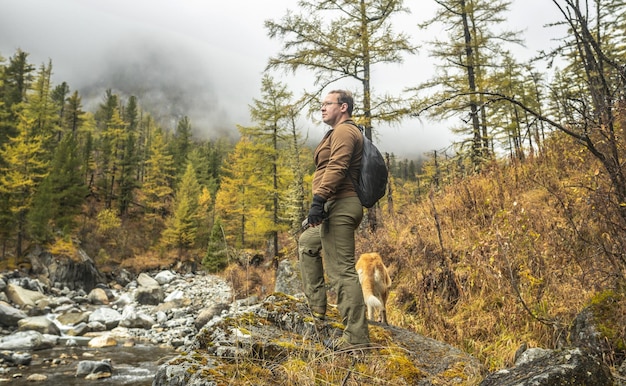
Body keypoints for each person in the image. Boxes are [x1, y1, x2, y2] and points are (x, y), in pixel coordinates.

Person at [298, 89, 369, 350]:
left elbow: (337, 167)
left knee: (342, 272)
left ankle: (356, 339)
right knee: (307, 243)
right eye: (321, 104)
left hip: (341, 205)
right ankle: (317, 308)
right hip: (333, 205)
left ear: (344, 107)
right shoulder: (336, 132)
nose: (322, 108)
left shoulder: (345, 131)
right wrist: (321, 204)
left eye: (328, 104)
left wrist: (318, 200)